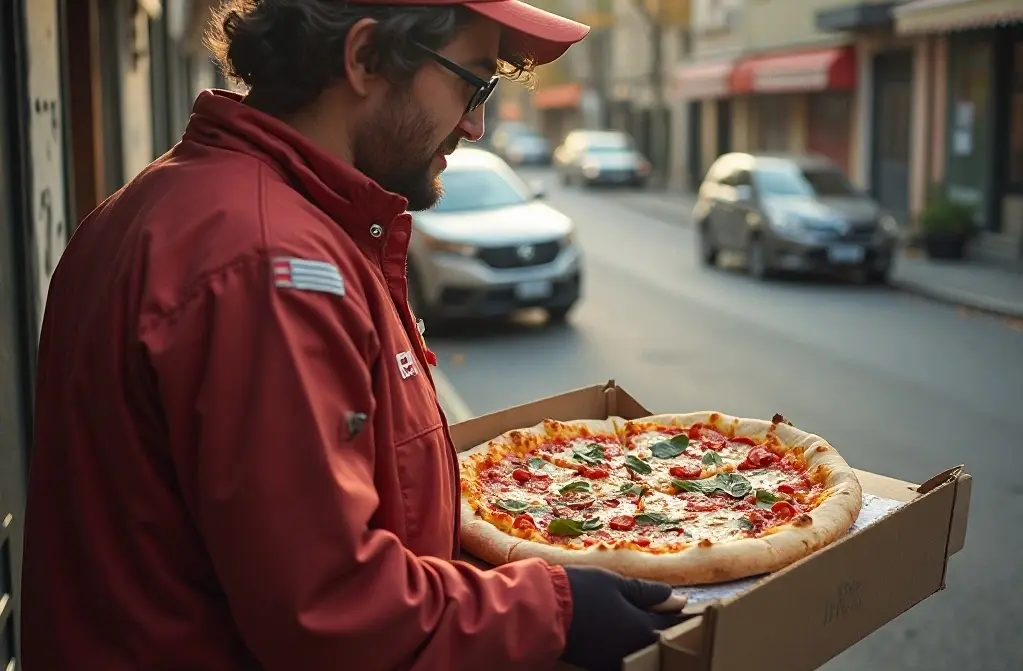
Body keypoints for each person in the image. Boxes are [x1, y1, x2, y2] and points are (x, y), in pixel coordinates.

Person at [21, 2, 686, 670]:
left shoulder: (192, 207)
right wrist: (555, 609)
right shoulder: (267, 264)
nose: (475, 124)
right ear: (365, 58)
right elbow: (331, 613)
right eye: (472, 82)